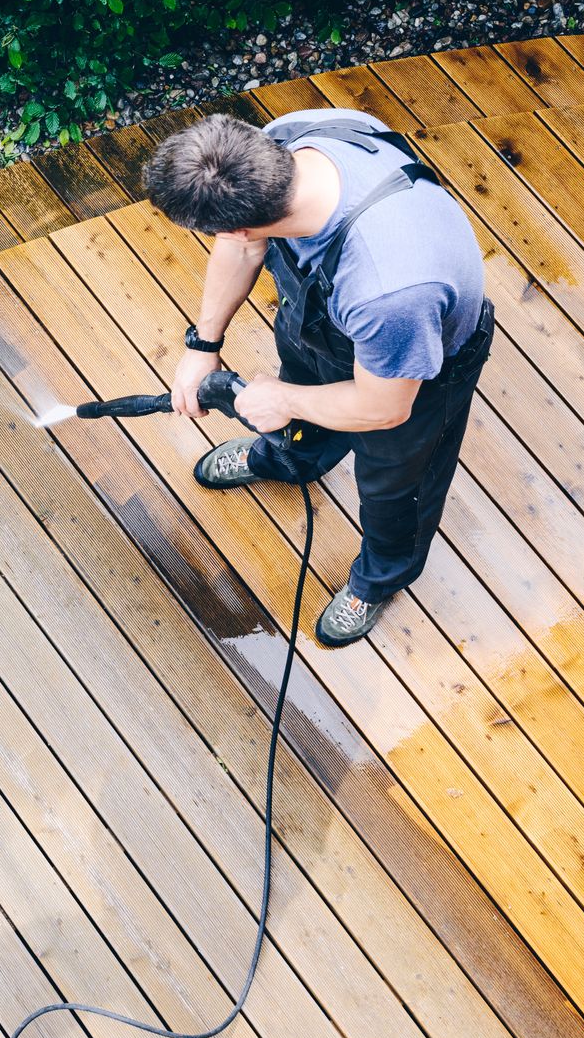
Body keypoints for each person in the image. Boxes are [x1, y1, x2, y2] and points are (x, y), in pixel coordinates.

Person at [139, 107, 495, 647]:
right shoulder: (286, 141)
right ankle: (291, 459)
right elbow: (242, 244)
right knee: (298, 407)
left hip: (412, 378)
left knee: (395, 489)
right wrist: (204, 345)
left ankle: (380, 578)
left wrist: (283, 399)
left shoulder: (389, 288)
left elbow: (383, 408)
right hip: (320, 326)